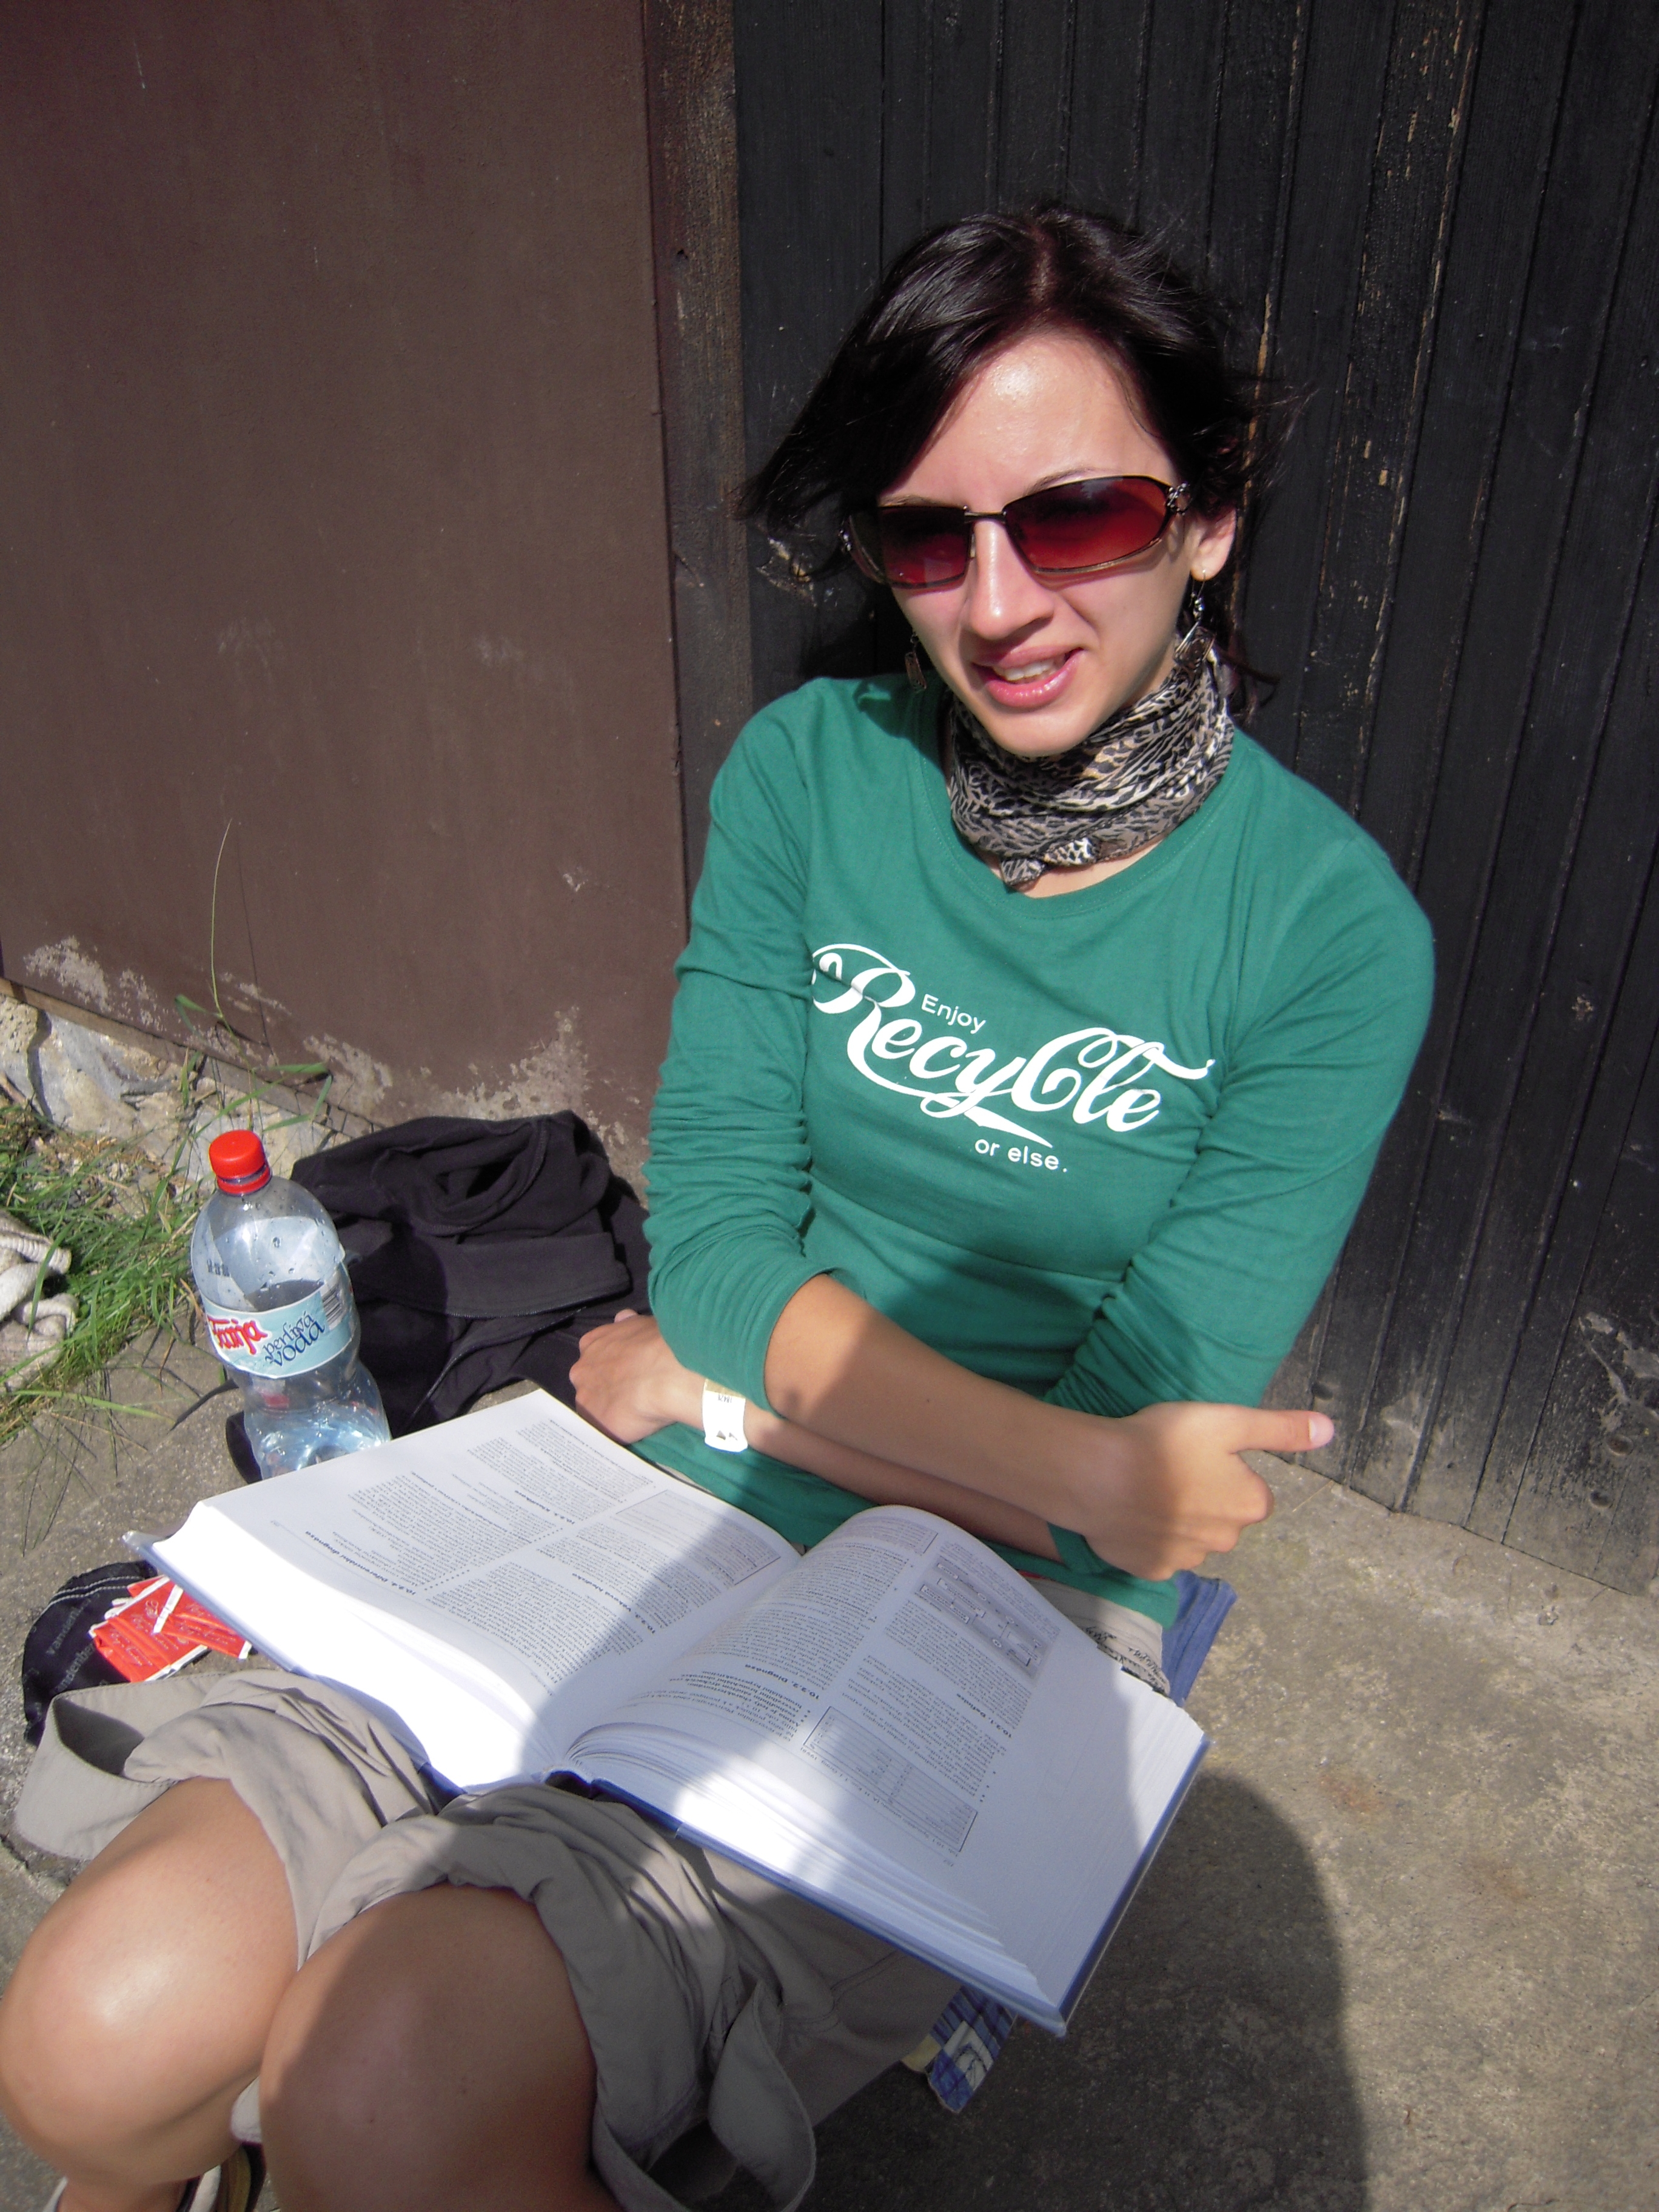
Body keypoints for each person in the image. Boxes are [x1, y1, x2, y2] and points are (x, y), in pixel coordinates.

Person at [0, 208, 1432, 2212]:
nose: (999, 602)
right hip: (654, 1504)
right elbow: (735, 1256)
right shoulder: (807, 779)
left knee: (389, 2095)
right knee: (93, 2039)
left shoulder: (1328, 937)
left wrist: (730, 1394)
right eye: (927, 536)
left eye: (1081, 516)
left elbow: (1109, 1483)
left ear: (1207, 519)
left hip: (968, 1601)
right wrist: (972, 1441)